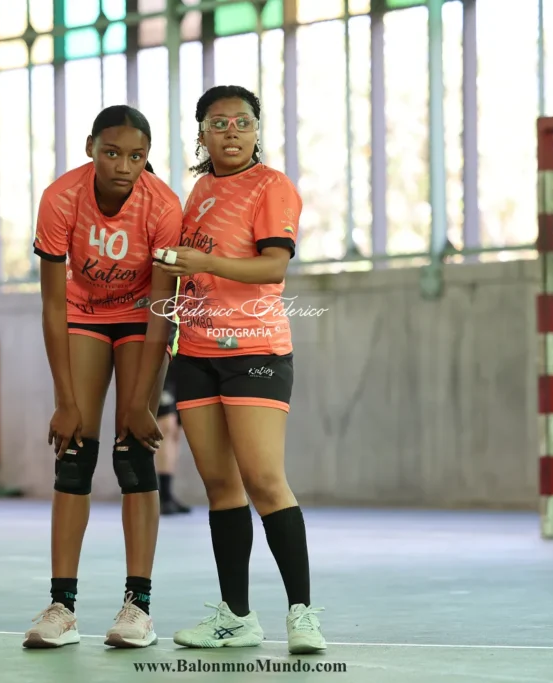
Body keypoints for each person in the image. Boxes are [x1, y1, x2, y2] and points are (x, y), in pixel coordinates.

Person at [124, 85, 327, 655]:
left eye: (242, 122)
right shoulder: (199, 192)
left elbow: (273, 266)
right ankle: (236, 616)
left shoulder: (271, 186)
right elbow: (181, 272)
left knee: (264, 479)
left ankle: (302, 614)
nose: (231, 132)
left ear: (257, 130)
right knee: (220, 486)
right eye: (219, 123)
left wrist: (204, 261)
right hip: (196, 354)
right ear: (202, 134)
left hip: (255, 352)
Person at [24, 105, 181, 650]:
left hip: (141, 318)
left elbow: (163, 307)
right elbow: (52, 306)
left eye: (136, 156)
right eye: (112, 153)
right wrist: (65, 401)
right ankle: (61, 609)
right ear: (91, 147)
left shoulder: (163, 206)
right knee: (74, 453)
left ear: (147, 157)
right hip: (84, 315)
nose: (123, 166)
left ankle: (138, 608)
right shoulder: (60, 198)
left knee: (133, 452)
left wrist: (144, 400)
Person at [155, 356, 191, 515]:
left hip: (185, 361)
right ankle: (163, 495)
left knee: (176, 430)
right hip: (163, 359)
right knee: (166, 426)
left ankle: (167, 493)